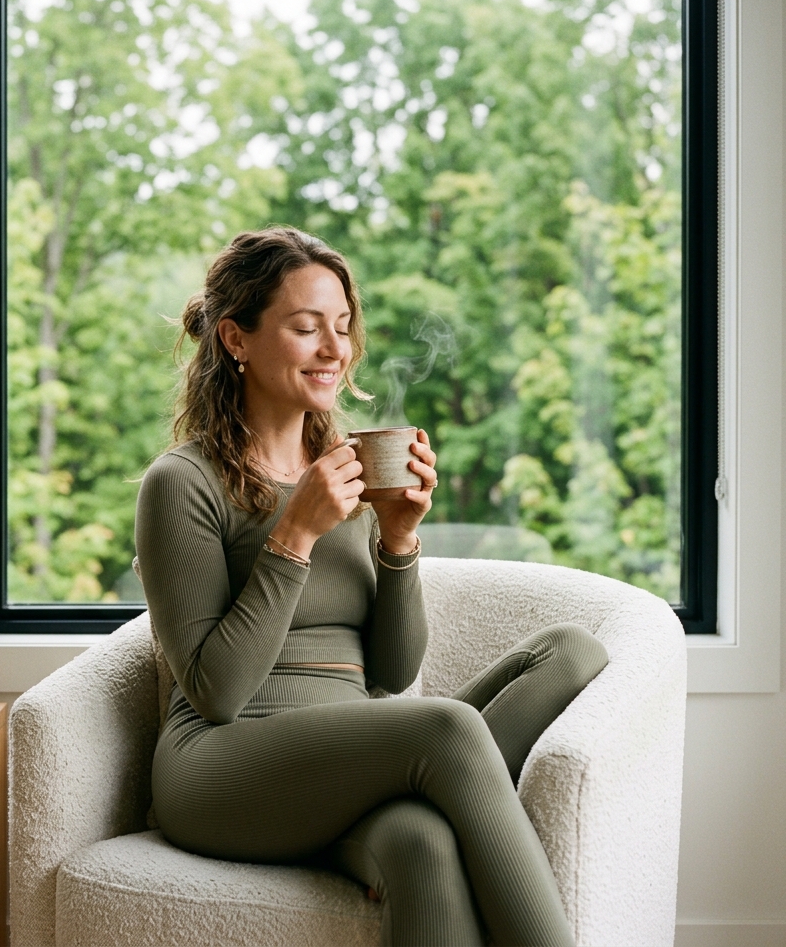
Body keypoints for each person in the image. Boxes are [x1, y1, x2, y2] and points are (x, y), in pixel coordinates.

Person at [135, 226, 608, 947]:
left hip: (348, 759)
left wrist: (397, 538)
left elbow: (390, 673)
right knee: (446, 728)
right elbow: (216, 692)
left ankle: (432, 786)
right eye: (305, 328)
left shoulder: (346, 470)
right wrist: (295, 534)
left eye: (343, 327)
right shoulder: (183, 482)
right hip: (224, 765)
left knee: (563, 660)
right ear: (236, 338)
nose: (334, 350)